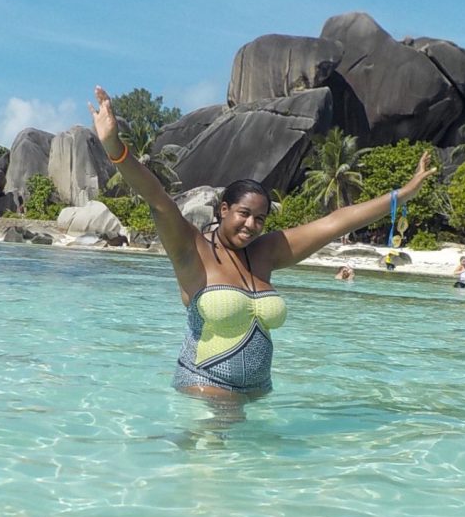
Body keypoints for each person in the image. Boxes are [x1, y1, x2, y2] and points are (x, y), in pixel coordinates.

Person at [89, 85, 436, 399]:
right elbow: (159, 200)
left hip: (257, 395)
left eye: (260, 218)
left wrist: (402, 194)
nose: (251, 225)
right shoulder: (192, 250)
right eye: (243, 214)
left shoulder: (265, 254)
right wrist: (114, 148)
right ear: (223, 209)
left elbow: (334, 223)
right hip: (206, 390)